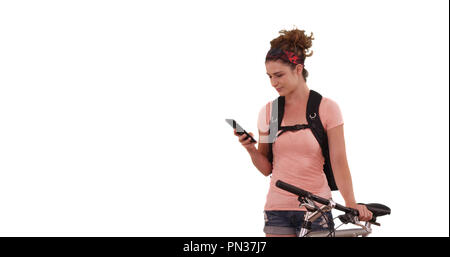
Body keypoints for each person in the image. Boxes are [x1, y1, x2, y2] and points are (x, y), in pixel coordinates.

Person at [233, 28, 373, 237]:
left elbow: (339, 161)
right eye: (269, 76)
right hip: (277, 209)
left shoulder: (326, 108)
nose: (273, 83)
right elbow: (266, 168)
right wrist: (250, 149)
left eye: (279, 75)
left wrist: (351, 204)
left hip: (318, 209)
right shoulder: (270, 112)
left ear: (298, 69)